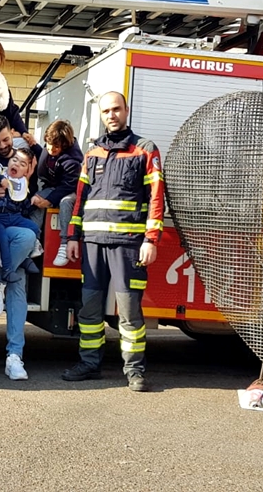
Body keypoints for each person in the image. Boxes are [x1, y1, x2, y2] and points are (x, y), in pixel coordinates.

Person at [62, 92, 164, 393]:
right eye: (106, 110)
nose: (111, 115)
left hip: (129, 244)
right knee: (89, 311)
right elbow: (80, 197)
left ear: (126, 110)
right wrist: (72, 236)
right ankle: (89, 364)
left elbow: (156, 197)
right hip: (92, 243)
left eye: (116, 109)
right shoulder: (92, 152)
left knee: (130, 312)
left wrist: (151, 239)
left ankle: (134, 370)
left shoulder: (145, 149)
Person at [0, 115, 42, 315]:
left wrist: (29, 181)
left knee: (31, 231)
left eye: (6, 140)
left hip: (14, 223)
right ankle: (8, 271)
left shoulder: (23, 163)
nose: (2, 145)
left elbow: (25, 207)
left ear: (12, 134)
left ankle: (16, 347)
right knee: (12, 241)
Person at [30, 120, 83, 267]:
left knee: (65, 202)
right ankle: (33, 239)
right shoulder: (48, 149)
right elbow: (44, 161)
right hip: (53, 187)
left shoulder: (72, 161)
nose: (51, 149)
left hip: (71, 190)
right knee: (36, 199)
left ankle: (65, 244)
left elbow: (68, 186)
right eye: (49, 144)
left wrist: (50, 200)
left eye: (56, 146)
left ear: (65, 146)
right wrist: (34, 145)